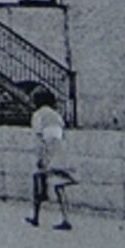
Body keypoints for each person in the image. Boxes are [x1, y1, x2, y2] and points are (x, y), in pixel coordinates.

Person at [27, 90, 75, 230]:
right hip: (59, 151)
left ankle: (35, 216)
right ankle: (66, 217)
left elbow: (39, 136)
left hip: (45, 151)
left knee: (37, 183)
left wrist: (41, 157)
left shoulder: (38, 115)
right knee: (59, 186)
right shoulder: (56, 115)